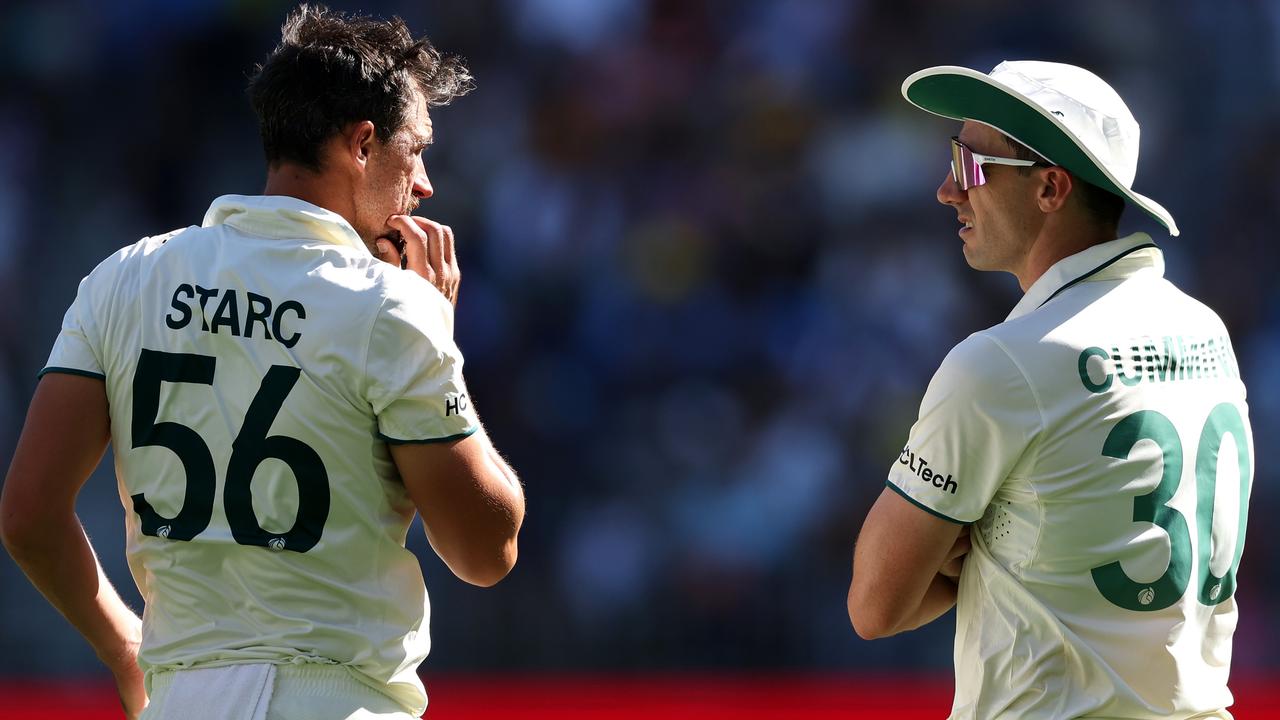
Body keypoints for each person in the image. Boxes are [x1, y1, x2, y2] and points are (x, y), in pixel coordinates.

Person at [0, 5, 525, 719]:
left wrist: (126, 647)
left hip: (181, 700)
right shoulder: (391, 308)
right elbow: (484, 550)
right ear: (363, 144)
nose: (425, 183)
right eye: (417, 148)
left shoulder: (125, 277)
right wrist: (439, 338)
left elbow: (28, 513)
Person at [846, 61, 1253, 719]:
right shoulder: (1202, 328)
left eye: (972, 165)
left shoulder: (999, 365)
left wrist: (973, 542)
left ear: (1051, 188)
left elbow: (875, 604)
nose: (948, 190)